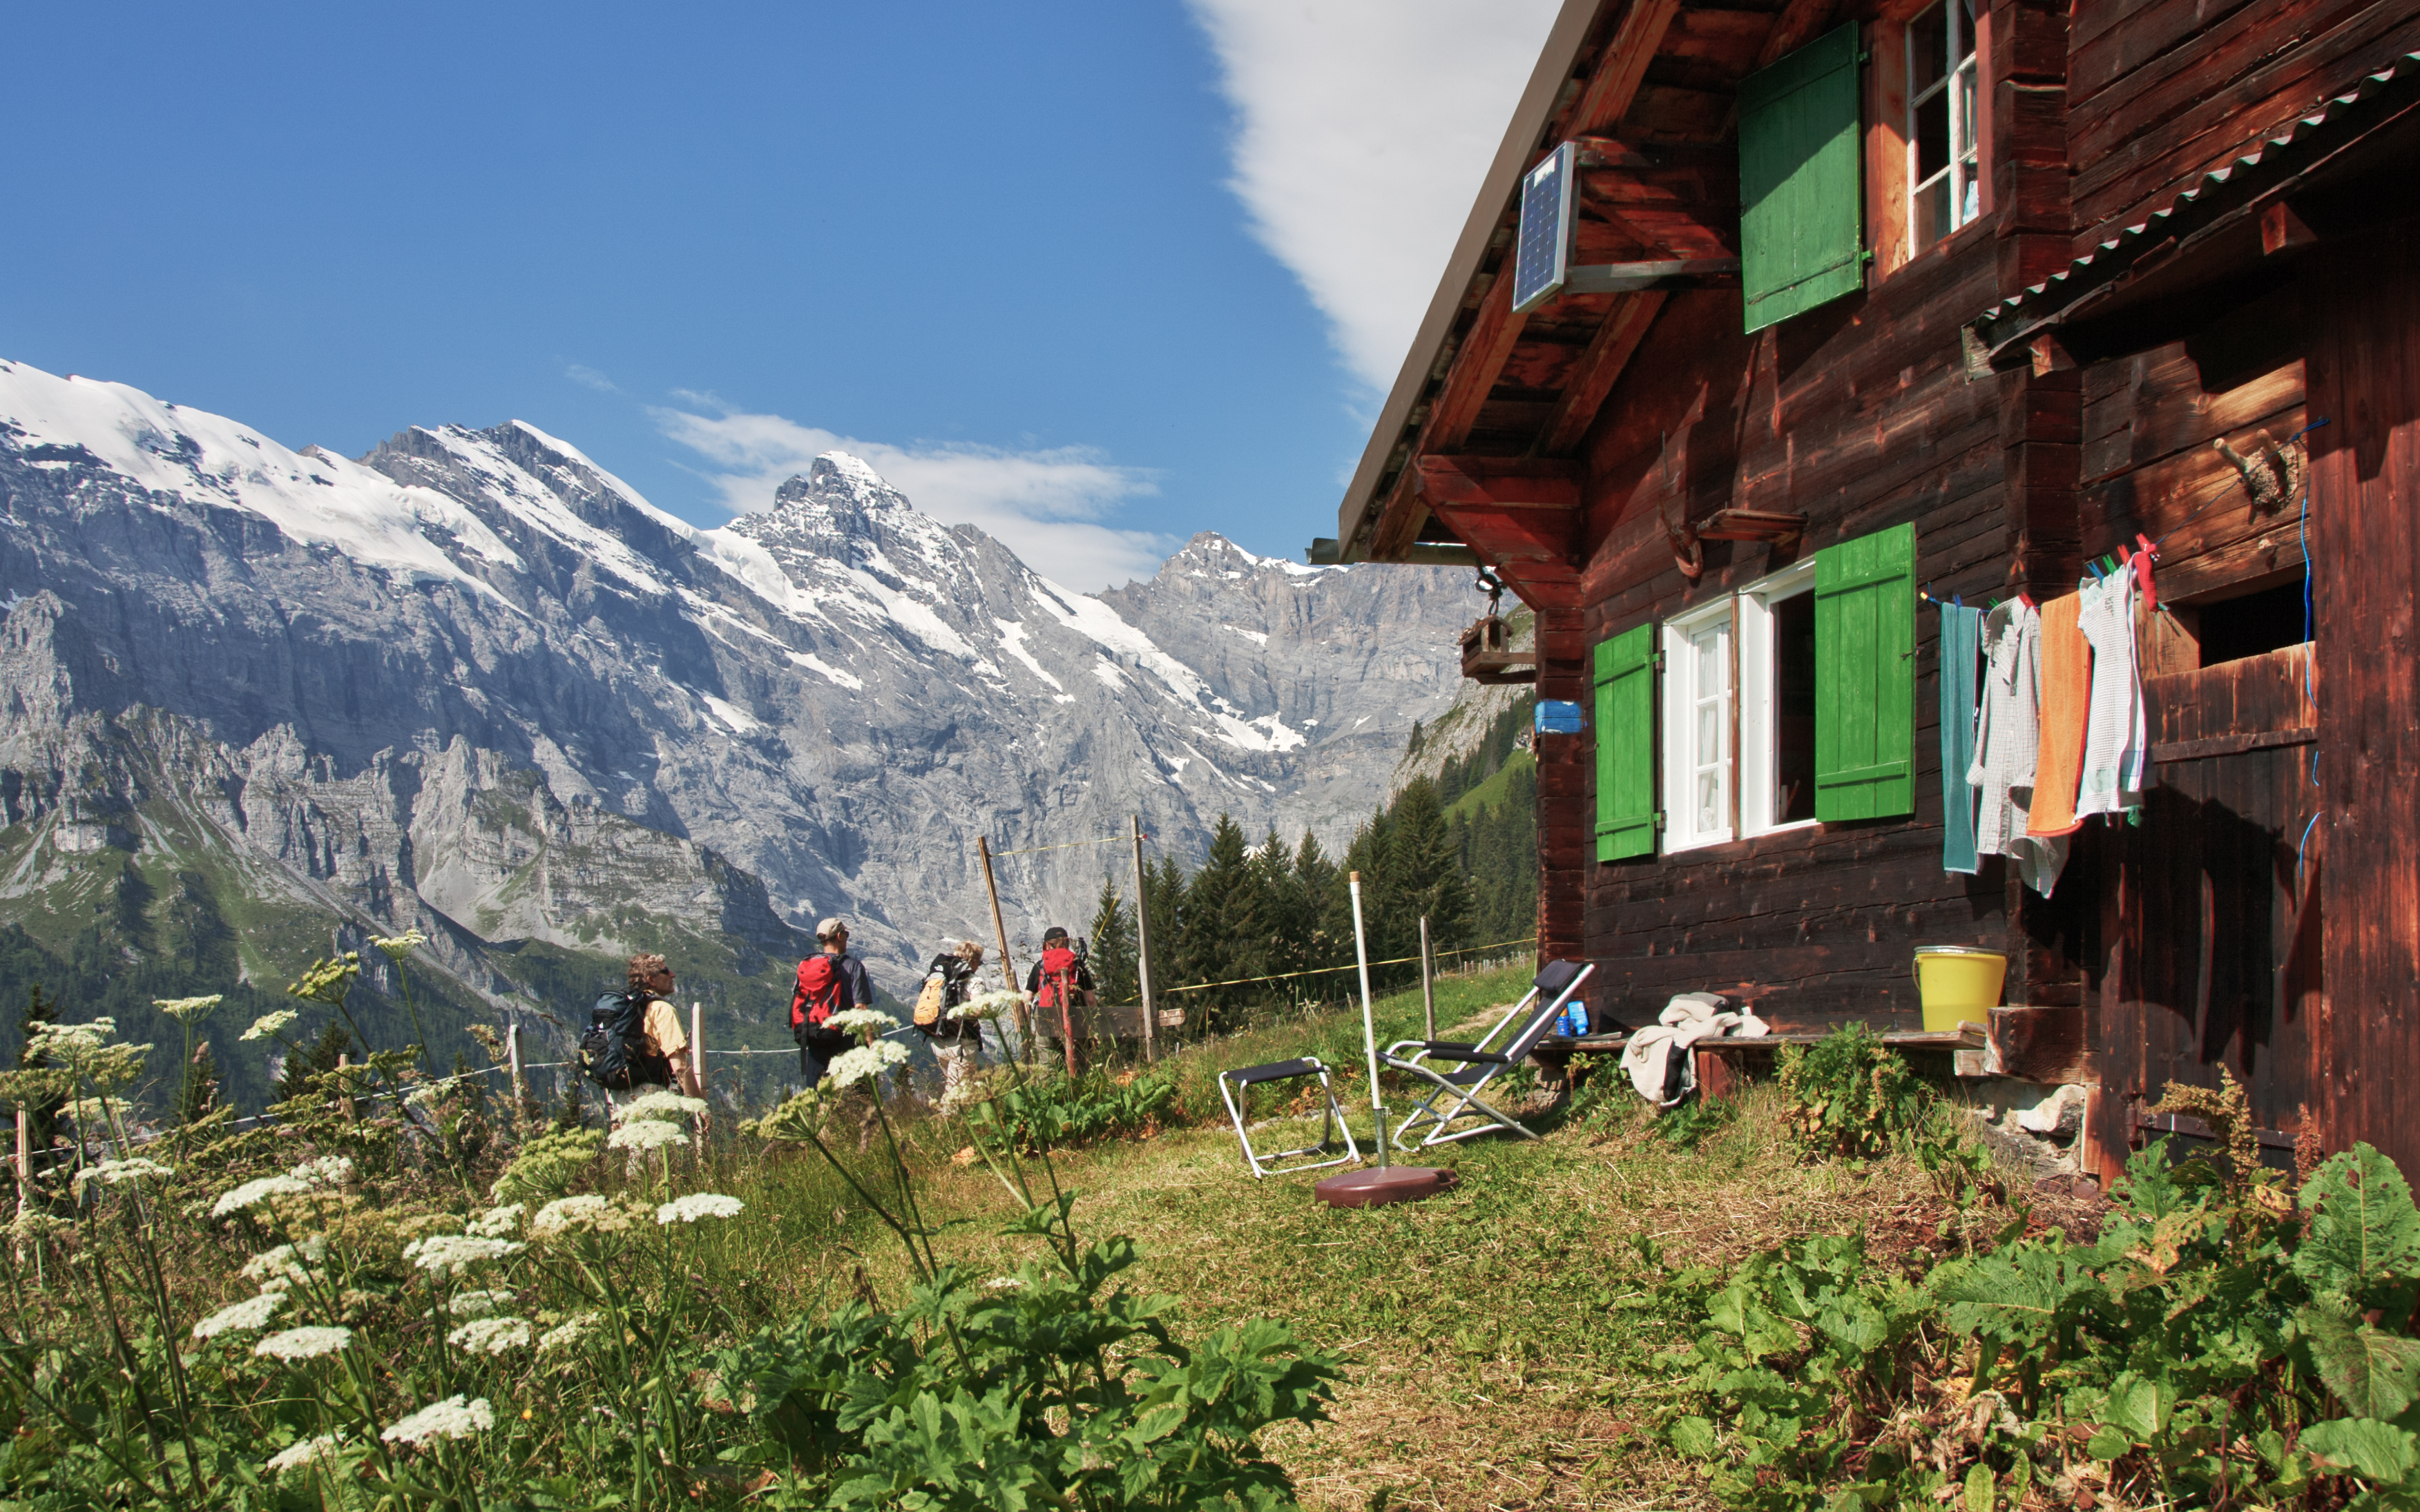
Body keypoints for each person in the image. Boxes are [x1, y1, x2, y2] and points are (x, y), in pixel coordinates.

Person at [791, 916, 876, 1087]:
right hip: (846, 1040)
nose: (847, 937)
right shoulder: (853, 966)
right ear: (839, 937)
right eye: (846, 934)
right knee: (858, 1096)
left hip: (815, 1037)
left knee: (819, 1095)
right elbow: (861, 1008)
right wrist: (872, 1043)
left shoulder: (807, 965)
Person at [626, 953, 707, 1103]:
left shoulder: (625, 1008)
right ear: (651, 980)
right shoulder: (662, 1009)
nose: (672, 975)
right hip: (650, 1095)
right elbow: (680, 1067)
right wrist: (700, 1106)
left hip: (620, 1095)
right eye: (666, 971)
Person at [914, 940, 987, 1104]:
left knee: (954, 1086)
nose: (979, 965)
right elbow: (978, 1009)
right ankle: (945, 1124)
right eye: (979, 962)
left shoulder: (939, 978)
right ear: (973, 961)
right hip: (962, 1043)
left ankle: (959, 1123)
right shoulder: (974, 981)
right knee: (956, 1093)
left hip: (937, 1040)